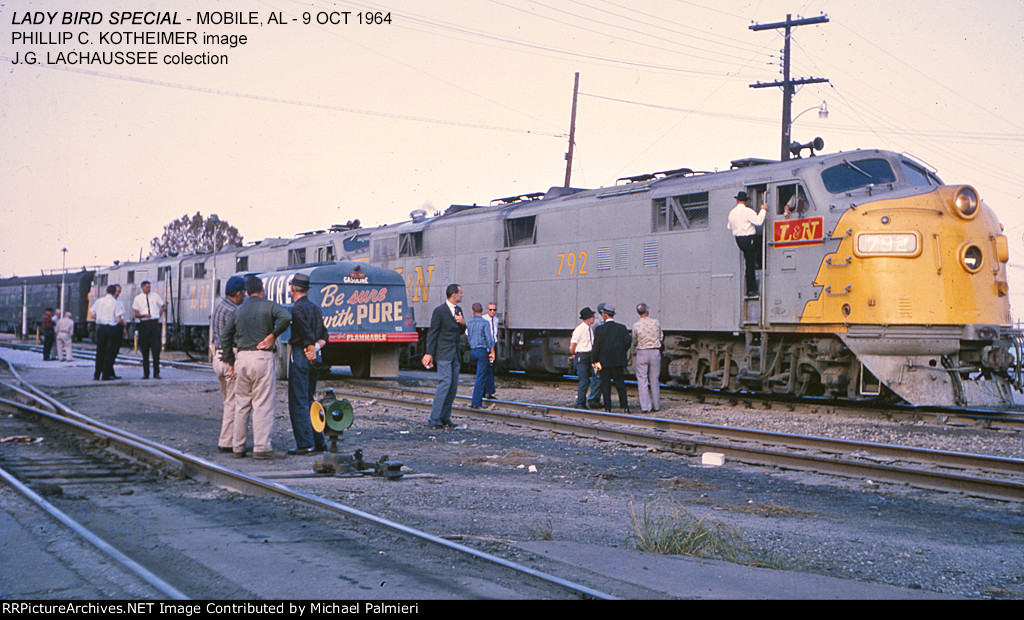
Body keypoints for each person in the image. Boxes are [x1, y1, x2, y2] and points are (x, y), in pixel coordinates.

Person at [221, 276, 291, 459]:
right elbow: (286, 317)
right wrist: (273, 335)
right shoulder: (269, 305)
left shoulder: (239, 310)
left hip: (242, 359)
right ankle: (261, 447)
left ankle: (238, 447)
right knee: (262, 403)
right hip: (262, 358)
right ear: (261, 288)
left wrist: (230, 360)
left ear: (246, 291)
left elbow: (225, 336)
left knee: (241, 403)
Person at [286, 273, 328, 455]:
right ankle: (319, 440)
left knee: (299, 400)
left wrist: (309, 349)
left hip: (301, 354)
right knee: (311, 399)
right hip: (316, 356)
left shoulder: (297, 309)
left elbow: (305, 332)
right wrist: (316, 349)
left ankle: (305, 443)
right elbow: (325, 335)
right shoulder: (316, 308)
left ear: (293, 288)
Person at [422, 283, 466, 429]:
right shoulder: (439, 311)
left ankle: (445, 417)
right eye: (460, 293)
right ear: (454, 295)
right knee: (445, 383)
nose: (462, 295)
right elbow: (433, 333)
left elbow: (459, 332)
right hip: (443, 353)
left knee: (452, 387)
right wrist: (429, 353)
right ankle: (434, 418)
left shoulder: (459, 310)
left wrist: (463, 323)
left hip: (455, 354)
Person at [212, 275, 246, 454]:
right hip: (229, 357)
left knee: (228, 400)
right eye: (244, 293)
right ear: (238, 293)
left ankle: (228, 439)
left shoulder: (219, 307)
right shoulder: (234, 311)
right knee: (233, 402)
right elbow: (235, 338)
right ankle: (226, 442)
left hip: (217, 357)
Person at [727, 191, 768, 296]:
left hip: (739, 240)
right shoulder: (747, 211)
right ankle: (751, 288)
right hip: (749, 239)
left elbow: (729, 227)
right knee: (751, 262)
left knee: (748, 262)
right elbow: (758, 221)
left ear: (737, 201)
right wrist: (763, 210)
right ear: (745, 201)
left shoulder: (732, 212)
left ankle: (755, 263)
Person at [592, 304, 631, 412]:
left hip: (604, 362)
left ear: (604, 314)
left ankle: (608, 407)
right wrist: (621, 351)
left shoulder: (600, 329)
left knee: (606, 385)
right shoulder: (621, 328)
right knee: (620, 385)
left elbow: (596, 346)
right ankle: (625, 407)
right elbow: (627, 342)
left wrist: (595, 361)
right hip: (618, 361)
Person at [632, 303, 663, 413]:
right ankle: (656, 406)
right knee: (654, 379)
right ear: (647, 310)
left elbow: (634, 340)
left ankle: (645, 407)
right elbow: (661, 336)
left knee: (642, 379)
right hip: (655, 352)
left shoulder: (636, 325)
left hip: (642, 353)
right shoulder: (656, 323)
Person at [90, 284, 124, 381]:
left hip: (101, 328)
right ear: (114, 292)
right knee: (109, 353)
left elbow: (92, 314)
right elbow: (118, 319)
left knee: (100, 352)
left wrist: (101, 318)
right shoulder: (115, 303)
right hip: (111, 329)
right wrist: (123, 323)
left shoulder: (99, 301)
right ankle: (106, 375)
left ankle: (96, 375)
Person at [132, 280, 165, 379]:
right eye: (147, 287)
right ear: (142, 288)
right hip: (144, 323)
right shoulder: (138, 299)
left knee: (156, 349)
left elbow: (163, 305)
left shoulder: (155, 296)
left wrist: (159, 315)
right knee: (145, 349)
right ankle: (146, 373)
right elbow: (136, 314)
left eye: (149, 287)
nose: (148, 289)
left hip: (154, 323)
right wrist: (144, 316)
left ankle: (156, 373)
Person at [466, 302, 495, 408]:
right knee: (480, 376)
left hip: (473, 350)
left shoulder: (469, 323)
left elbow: (468, 337)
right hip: (482, 350)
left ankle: (490, 391)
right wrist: (491, 350)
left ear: (473, 311)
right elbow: (489, 338)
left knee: (486, 370)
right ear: (482, 311)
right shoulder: (485, 322)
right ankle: (476, 403)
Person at [569, 307, 596, 409]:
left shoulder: (589, 329)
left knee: (592, 377)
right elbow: (572, 346)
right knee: (584, 380)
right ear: (588, 318)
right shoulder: (579, 330)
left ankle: (585, 401)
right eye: (592, 317)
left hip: (589, 355)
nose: (594, 319)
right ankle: (580, 402)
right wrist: (574, 355)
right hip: (582, 356)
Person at [586, 302, 607, 409]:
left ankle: (595, 398)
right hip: (597, 354)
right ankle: (593, 399)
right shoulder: (598, 323)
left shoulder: (598, 322)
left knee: (598, 376)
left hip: (598, 353)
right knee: (597, 376)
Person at [484, 302, 499, 399]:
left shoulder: (496, 320)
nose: (492, 312)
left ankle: (489, 391)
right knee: (486, 369)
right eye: (490, 310)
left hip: (493, 344)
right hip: (486, 346)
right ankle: (487, 391)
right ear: (487, 310)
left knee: (490, 368)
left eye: (494, 310)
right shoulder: (483, 319)